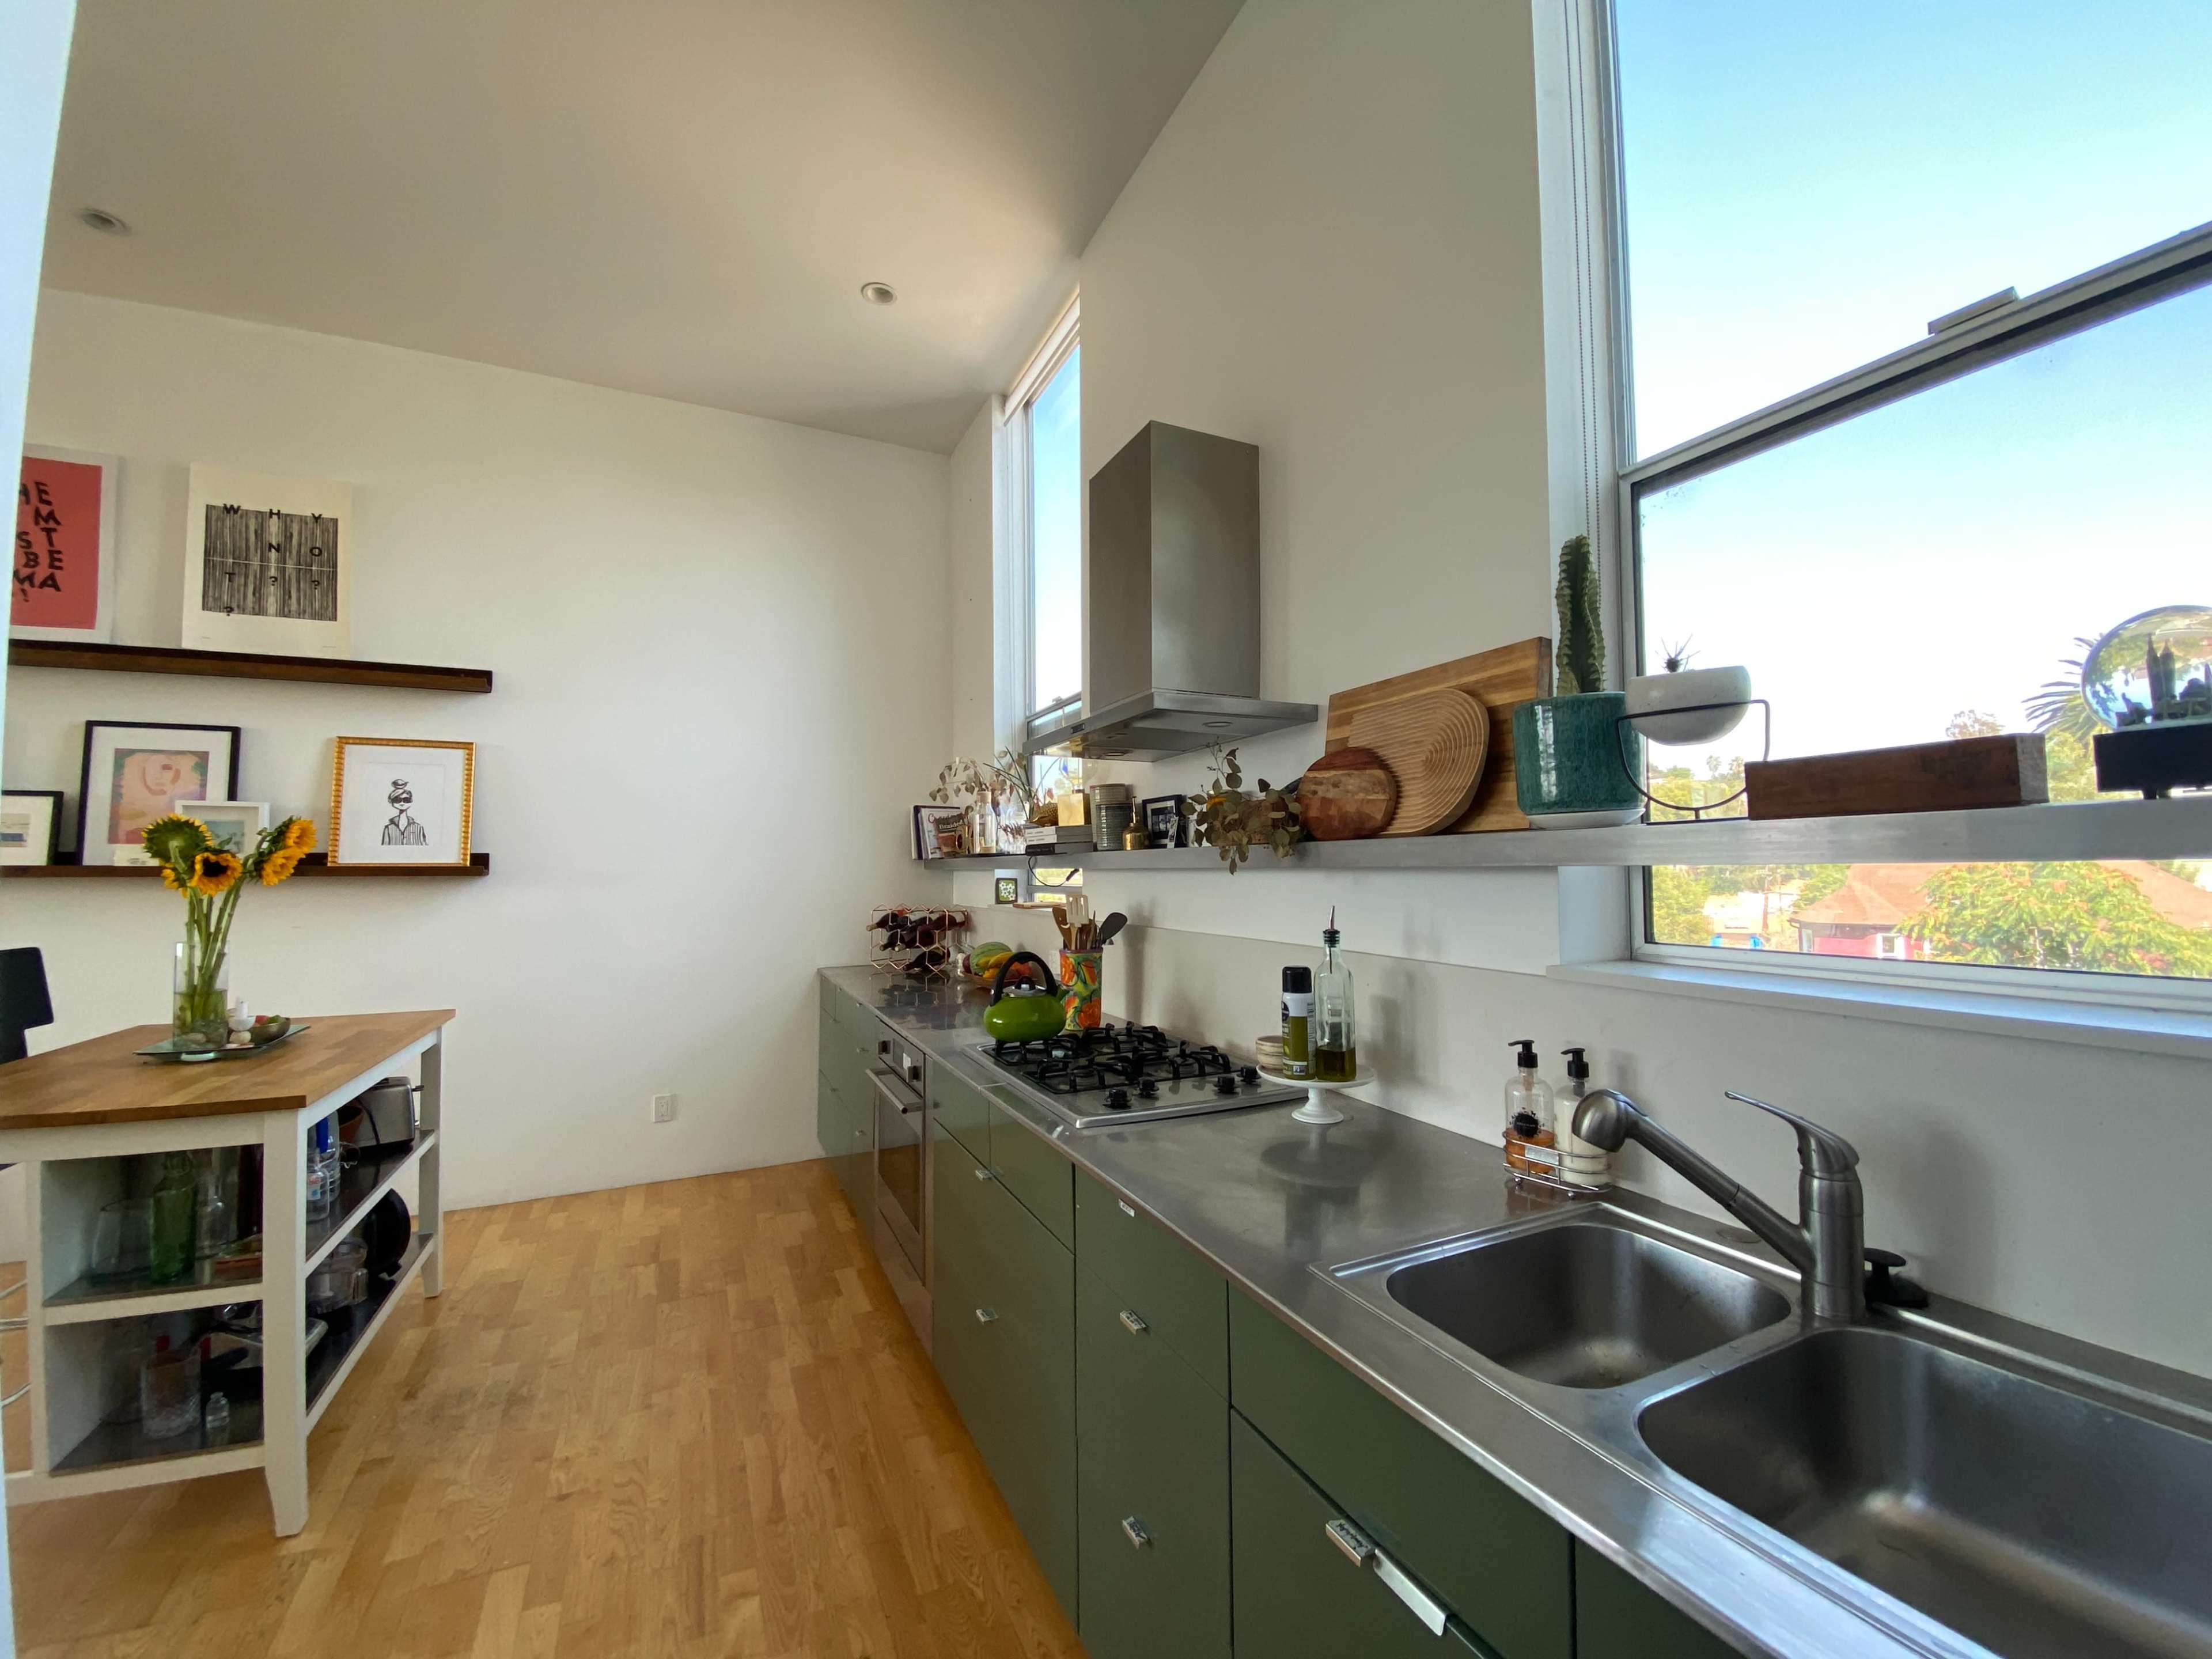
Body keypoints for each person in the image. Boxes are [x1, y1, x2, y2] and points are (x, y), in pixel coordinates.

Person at [381, 779, 427, 847]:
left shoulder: (418, 827)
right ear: (392, 802)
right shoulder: (389, 828)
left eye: (406, 800)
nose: (402, 803)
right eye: (397, 800)